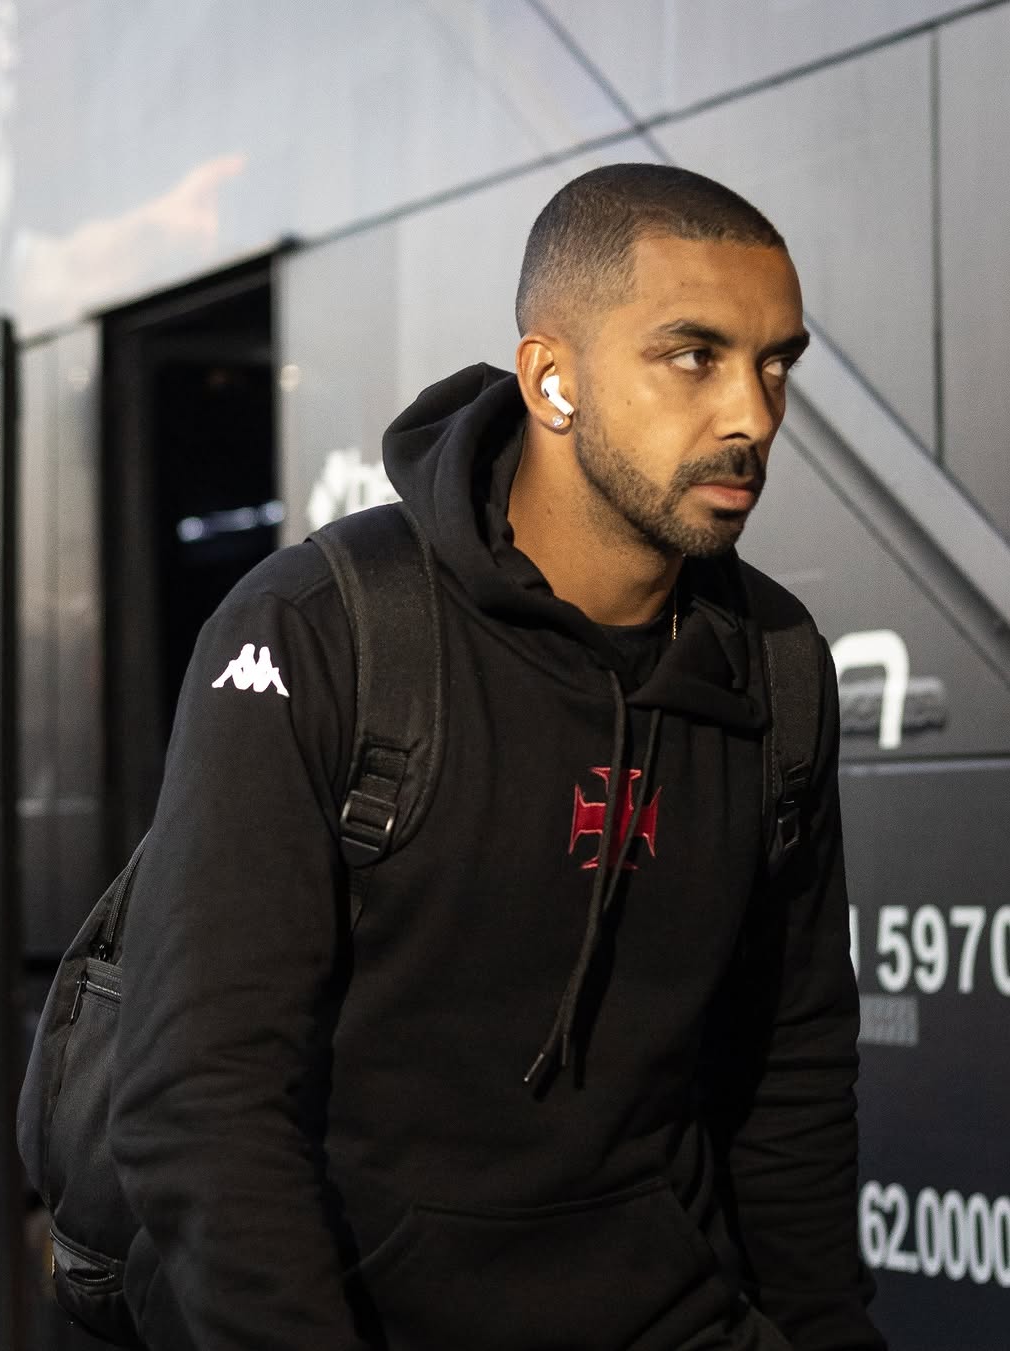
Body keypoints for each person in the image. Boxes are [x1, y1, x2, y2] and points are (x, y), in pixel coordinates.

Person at [109, 163, 885, 1351]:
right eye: (694, 355)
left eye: (775, 363)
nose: (752, 415)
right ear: (552, 378)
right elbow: (204, 1099)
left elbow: (791, 1078)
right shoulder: (318, 630)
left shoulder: (775, 665)